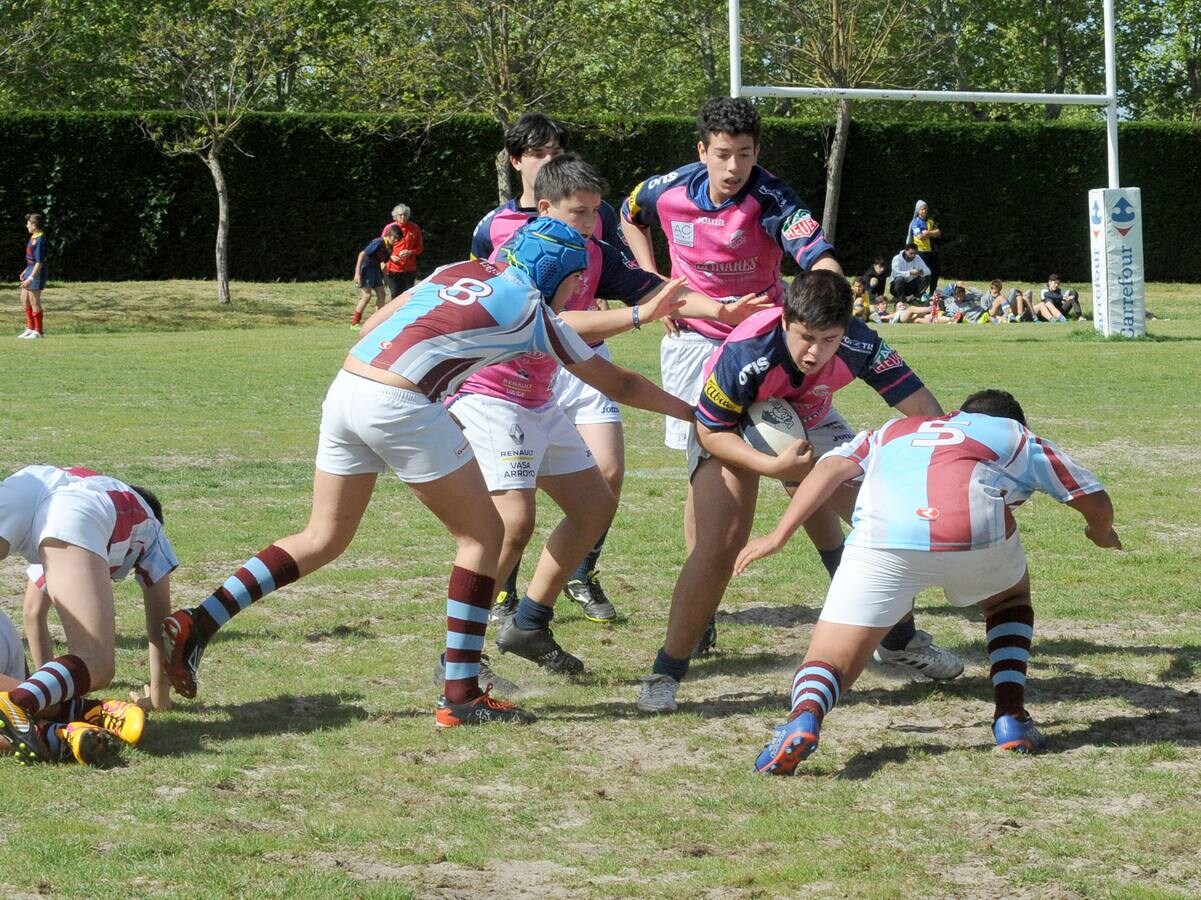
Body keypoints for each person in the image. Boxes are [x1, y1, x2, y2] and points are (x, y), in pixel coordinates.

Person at [159, 218, 694, 727]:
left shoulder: (453, 271)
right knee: (484, 535)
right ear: (557, 274)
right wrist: (698, 413)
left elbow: (375, 323)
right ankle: (460, 693)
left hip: (349, 385)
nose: (578, 291)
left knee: (322, 535)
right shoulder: (534, 314)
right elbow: (619, 385)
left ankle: (198, 622)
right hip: (399, 401)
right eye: (577, 280)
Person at [451, 155, 754, 675]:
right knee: (512, 524)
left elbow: (659, 292)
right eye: (579, 213)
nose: (591, 225)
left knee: (595, 504)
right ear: (544, 208)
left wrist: (719, 311)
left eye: (595, 213)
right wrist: (640, 317)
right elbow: (558, 318)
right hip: (494, 394)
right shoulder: (527, 252)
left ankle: (528, 623)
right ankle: (459, 655)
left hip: (543, 392)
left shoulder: (594, 250)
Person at [737, 389, 1121, 774]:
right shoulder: (1015, 435)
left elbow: (828, 469)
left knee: (831, 657)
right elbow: (1092, 496)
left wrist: (778, 534)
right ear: (1014, 422)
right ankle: (1010, 716)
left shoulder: (889, 430)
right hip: (973, 537)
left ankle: (804, 717)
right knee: (1009, 600)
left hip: (883, 540)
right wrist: (1100, 531)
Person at [634, 271, 964, 714]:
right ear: (784, 320)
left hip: (810, 414)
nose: (815, 351)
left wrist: (948, 463)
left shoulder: (861, 342)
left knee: (881, 516)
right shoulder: (749, 352)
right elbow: (711, 432)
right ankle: (665, 672)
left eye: (828, 340)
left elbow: (924, 411)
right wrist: (775, 467)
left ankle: (899, 640)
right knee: (719, 545)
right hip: (730, 424)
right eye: (805, 337)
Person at [620, 96, 843, 454]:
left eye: (744, 153)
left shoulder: (773, 200)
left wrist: (832, 309)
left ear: (757, 151)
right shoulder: (665, 190)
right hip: (694, 338)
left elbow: (819, 258)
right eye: (723, 154)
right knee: (708, 462)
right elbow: (629, 215)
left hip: (763, 341)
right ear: (702, 151)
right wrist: (654, 285)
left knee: (807, 459)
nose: (733, 168)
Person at [0, 465, 175, 764]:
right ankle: (23, 703)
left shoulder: (85, 484)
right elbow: (162, 625)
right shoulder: (152, 527)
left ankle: (56, 715)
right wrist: (160, 697)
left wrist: (54, 688)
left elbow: (33, 612)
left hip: (26, 485)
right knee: (97, 661)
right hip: (77, 511)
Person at [350, 225, 400, 326]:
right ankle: (354, 323)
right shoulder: (378, 242)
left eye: (397, 239)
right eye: (394, 237)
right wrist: (357, 272)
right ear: (389, 235)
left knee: (382, 295)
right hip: (367, 269)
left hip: (376, 270)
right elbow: (362, 254)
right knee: (367, 296)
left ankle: (376, 323)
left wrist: (385, 278)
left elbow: (382, 263)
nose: (395, 240)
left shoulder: (389, 247)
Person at [383, 204, 424, 300]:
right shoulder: (389, 228)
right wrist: (391, 256)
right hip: (393, 268)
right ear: (395, 216)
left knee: (408, 296)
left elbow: (420, 248)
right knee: (395, 294)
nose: (403, 217)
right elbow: (382, 247)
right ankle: (394, 314)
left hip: (409, 269)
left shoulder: (415, 228)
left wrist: (410, 252)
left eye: (405, 214)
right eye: (400, 215)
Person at [18, 213, 47, 339]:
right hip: (30, 268)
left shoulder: (40, 240)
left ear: (34, 225)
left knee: (34, 301)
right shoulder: (34, 236)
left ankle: (38, 331)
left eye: (28, 223)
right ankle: (30, 328)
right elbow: (32, 259)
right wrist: (26, 270)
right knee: (24, 299)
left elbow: (39, 262)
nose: (26, 226)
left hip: (37, 272)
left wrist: (31, 278)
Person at [907, 200, 942, 292]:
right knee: (922, 273)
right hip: (920, 252)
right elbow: (920, 236)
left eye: (925, 209)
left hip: (932, 251)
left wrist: (928, 232)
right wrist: (931, 234)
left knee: (935, 272)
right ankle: (920, 293)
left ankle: (932, 292)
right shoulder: (915, 222)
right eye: (922, 209)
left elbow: (938, 233)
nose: (924, 211)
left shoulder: (930, 221)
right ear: (918, 210)